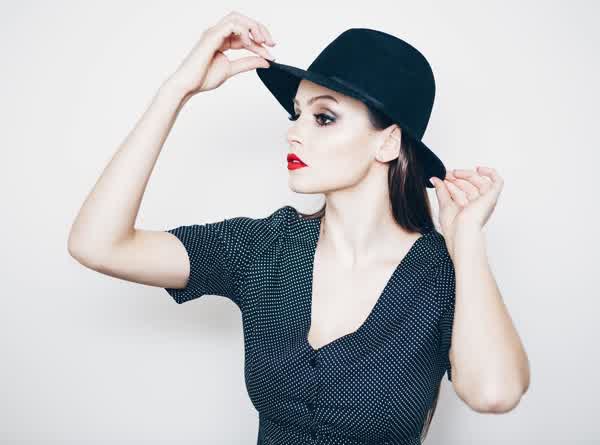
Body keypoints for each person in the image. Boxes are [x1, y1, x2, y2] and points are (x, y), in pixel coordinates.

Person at [68, 10, 529, 445]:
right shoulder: (263, 248)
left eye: (323, 117)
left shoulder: (442, 274)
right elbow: (98, 245)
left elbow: (494, 393)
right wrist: (177, 91)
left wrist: (467, 242)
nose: (294, 132)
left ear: (388, 142)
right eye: (296, 114)